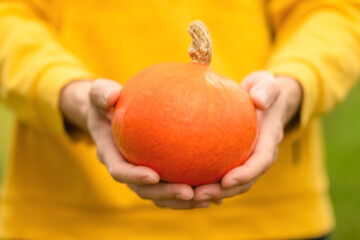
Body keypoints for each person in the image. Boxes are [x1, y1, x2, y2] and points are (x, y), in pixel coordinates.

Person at [0, 0, 359, 239]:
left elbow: (333, 12)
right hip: (62, 220)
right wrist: (66, 93)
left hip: (272, 221)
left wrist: (291, 86)